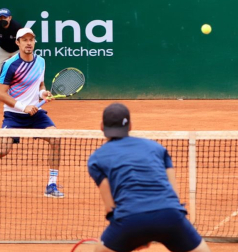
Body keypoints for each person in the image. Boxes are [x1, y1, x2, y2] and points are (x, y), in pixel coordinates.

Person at [87, 103, 211, 252]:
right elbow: (174, 195)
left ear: (101, 126)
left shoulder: (96, 158)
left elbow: (110, 208)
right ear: (130, 126)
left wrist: (136, 235)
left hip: (130, 219)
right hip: (169, 215)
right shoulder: (157, 148)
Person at [0, 28, 64, 198]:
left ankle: (51, 184)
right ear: (17, 43)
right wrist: (22, 106)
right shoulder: (10, 64)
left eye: (31, 39)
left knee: (56, 138)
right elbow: (1, 93)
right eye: (24, 40)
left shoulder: (41, 61)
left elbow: (40, 86)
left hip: (35, 113)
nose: (28, 43)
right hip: (14, 115)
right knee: (3, 149)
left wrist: (43, 94)